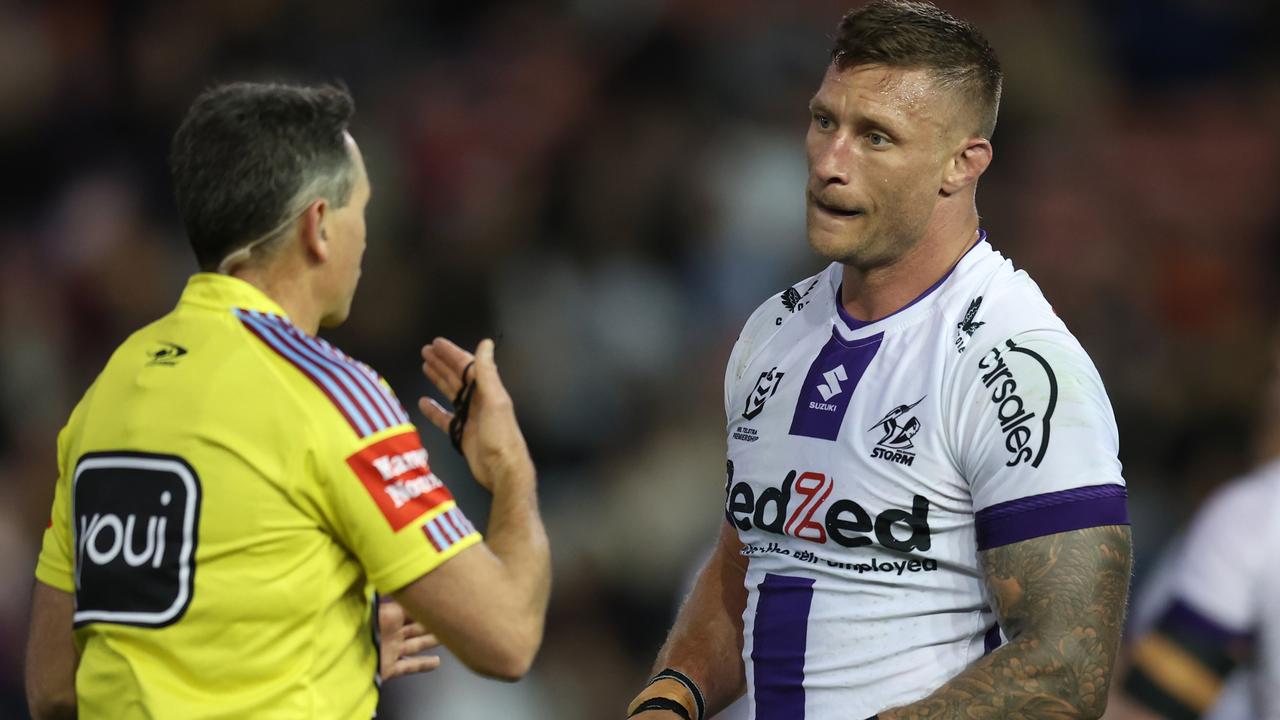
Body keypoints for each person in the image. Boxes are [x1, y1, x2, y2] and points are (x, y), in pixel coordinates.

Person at [626, 2, 1131, 719]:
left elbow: (1064, 668)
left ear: (962, 163)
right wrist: (671, 696)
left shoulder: (1015, 364)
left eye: (876, 138)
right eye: (825, 121)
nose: (830, 164)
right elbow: (749, 566)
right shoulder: (772, 332)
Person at [23, 82, 551, 719]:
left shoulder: (109, 388)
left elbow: (54, 686)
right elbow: (508, 638)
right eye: (361, 210)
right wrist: (512, 471)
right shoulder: (335, 396)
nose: (366, 240)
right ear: (319, 226)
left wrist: (325, 647)